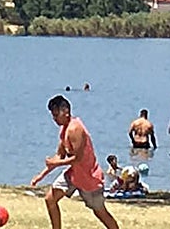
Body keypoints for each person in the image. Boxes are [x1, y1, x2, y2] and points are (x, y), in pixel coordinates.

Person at [30, 94, 120, 229]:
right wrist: (41, 175)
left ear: (65, 111)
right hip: (73, 175)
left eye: (56, 115)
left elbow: (77, 158)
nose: (54, 119)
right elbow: (59, 156)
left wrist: (55, 164)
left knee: (100, 212)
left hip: (90, 178)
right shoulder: (64, 130)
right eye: (52, 115)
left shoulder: (75, 129)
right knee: (50, 199)